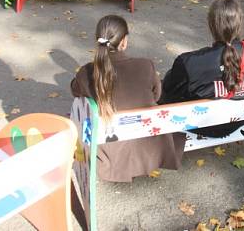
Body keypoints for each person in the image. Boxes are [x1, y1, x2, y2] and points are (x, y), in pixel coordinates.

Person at [71, 15, 183, 182]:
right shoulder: (145, 66)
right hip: (148, 147)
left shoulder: (87, 73)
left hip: (110, 151)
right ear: (124, 41)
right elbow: (157, 95)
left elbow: (75, 91)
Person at [160, 0, 244, 138]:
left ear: (211, 25)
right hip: (241, 118)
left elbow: (169, 91)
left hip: (203, 125)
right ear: (240, 23)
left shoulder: (190, 62)